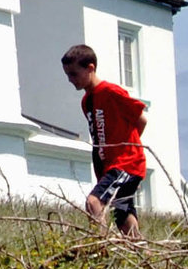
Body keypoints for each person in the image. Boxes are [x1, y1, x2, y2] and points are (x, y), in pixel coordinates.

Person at [62, 42, 147, 237]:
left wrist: (128, 152)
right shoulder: (87, 101)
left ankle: (100, 247)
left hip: (126, 163)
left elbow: (140, 120)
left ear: (90, 68)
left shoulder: (111, 92)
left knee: (93, 202)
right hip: (109, 166)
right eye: (67, 75)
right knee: (123, 214)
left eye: (74, 74)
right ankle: (142, 252)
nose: (70, 79)